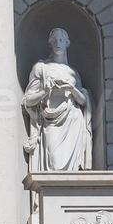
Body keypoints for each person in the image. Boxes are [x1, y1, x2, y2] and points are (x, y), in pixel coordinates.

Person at [22, 27, 92, 172]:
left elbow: (84, 102)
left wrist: (72, 89)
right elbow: (28, 100)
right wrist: (45, 91)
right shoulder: (40, 68)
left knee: (71, 172)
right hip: (50, 123)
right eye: (54, 40)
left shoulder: (73, 73)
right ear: (50, 43)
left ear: (67, 43)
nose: (57, 43)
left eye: (61, 40)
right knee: (54, 161)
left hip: (73, 120)